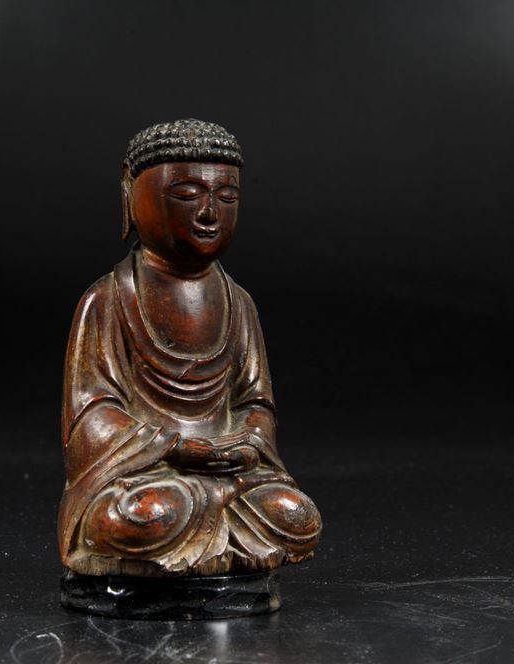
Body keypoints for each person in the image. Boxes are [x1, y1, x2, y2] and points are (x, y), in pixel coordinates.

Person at [58, 119, 321, 577]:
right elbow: (91, 414)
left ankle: (216, 515)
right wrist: (175, 448)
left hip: (230, 471)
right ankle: (201, 523)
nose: (208, 214)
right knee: (142, 515)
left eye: (227, 197)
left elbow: (255, 403)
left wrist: (246, 445)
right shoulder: (107, 299)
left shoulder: (239, 303)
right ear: (132, 195)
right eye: (185, 195)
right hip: (150, 476)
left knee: (295, 514)